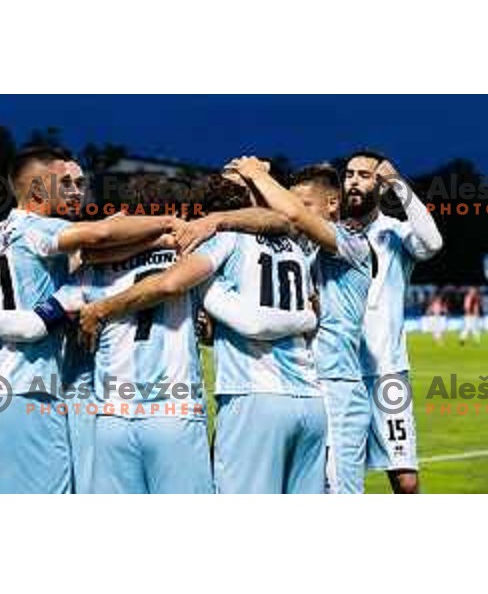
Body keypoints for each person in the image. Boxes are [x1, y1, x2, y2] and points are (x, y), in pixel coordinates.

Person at [0, 147, 182, 494]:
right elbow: (98, 237)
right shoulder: (40, 229)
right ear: (39, 191)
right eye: (66, 184)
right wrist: (169, 222)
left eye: (79, 184)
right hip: (24, 390)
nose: (77, 192)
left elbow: (89, 250)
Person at [80, 174, 326, 494]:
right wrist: (306, 318)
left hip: (114, 411)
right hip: (183, 411)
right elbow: (283, 221)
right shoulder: (287, 247)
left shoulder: (94, 263)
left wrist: (101, 308)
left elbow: (92, 245)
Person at [212, 158, 373, 494]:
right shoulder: (298, 250)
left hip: (337, 388)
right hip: (300, 388)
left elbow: (292, 216)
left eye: (304, 204)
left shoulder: (354, 243)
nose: (288, 212)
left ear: (332, 203)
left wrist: (257, 173)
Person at [342, 151, 443, 494]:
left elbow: (432, 243)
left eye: (364, 175)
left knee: (405, 481)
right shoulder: (330, 236)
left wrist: (399, 183)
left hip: (388, 373)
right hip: (340, 374)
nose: (353, 180)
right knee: (334, 477)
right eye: (349, 174)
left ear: (381, 186)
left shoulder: (396, 233)